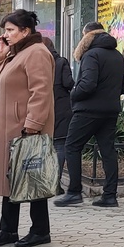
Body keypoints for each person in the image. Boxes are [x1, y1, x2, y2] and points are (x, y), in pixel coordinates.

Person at [0, 10, 55, 247]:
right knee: (10, 179)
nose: (6, 34)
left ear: (25, 31)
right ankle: (8, 229)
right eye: (5, 30)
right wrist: (1, 55)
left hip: (24, 128)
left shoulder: (36, 53)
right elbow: (0, 78)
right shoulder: (17, 53)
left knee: (33, 178)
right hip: (9, 127)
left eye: (11, 30)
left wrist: (33, 125)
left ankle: (40, 230)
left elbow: (40, 91)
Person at [56, 22, 124, 208]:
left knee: (72, 147)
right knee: (108, 151)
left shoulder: (91, 55)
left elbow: (87, 84)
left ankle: (73, 192)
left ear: (88, 36)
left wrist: (73, 95)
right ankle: (110, 195)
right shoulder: (117, 55)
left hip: (88, 111)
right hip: (110, 110)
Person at [42, 37, 73, 193]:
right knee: (60, 146)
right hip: (61, 106)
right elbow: (68, 83)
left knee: (46, 146)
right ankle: (56, 182)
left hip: (42, 107)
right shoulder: (61, 62)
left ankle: (44, 181)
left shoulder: (38, 62)